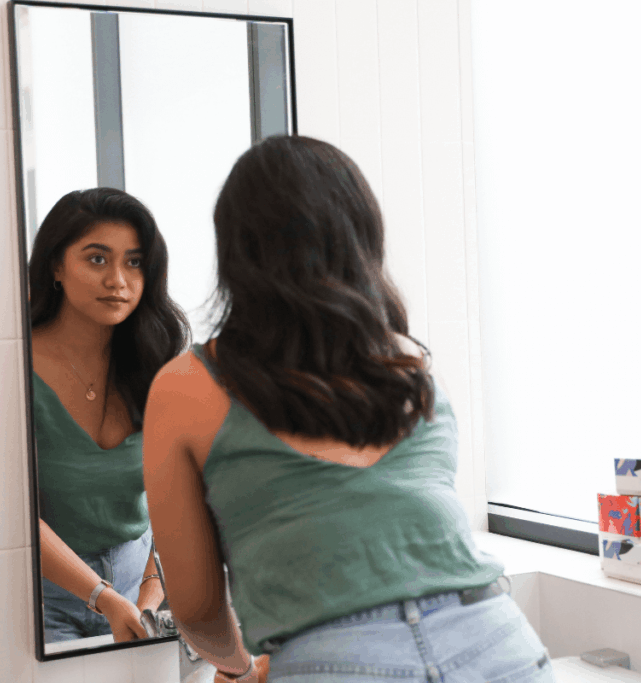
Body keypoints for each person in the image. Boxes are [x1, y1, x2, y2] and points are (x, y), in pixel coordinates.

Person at [141, 136, 557, 682]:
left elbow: (196, 610)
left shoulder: (187, 387)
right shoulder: (409, 365)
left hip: (335, 659)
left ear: (237, 252)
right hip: (497, 643)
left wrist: (241, 669)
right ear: (362, 236)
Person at [28, 188, 189, 643]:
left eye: (134, 262)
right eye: (97, 259)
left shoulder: (158, 361)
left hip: (143, 587)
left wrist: (149, 596)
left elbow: (180, 499)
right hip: (47, 595)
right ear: (56, 266)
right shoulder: (15, 366)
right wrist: (102, 596)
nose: (118, 280)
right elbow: (12, 516)